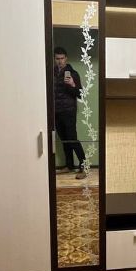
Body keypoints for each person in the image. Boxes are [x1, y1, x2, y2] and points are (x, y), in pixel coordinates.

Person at [53, 47, 86, 179]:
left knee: (72, 138)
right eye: (57, 58)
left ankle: (84, 167)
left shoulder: (73, 74)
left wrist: (72, 84)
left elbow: (80, 94)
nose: (60, 61)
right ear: (54, 59)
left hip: (69, 111)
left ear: (66, 58)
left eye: (62, 58)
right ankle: (69, 165)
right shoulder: (51, 73)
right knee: (64, 139)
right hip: (56, 111)